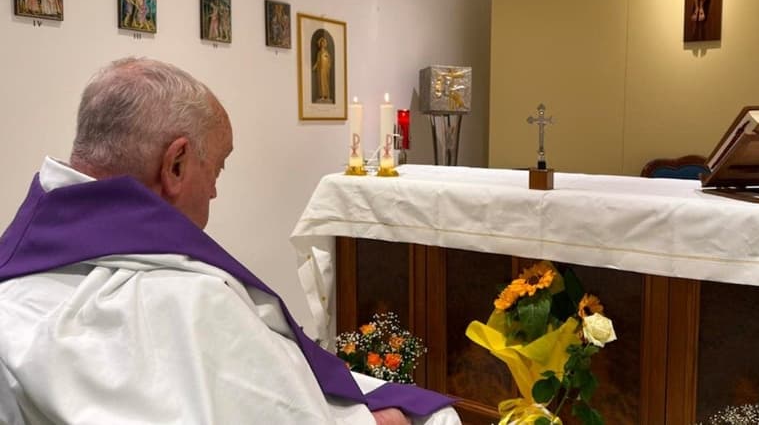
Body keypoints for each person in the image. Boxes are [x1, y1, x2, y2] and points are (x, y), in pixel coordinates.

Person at [0, 57, 458, 424]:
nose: (215, 190)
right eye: (216, 168)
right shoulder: (190, 300)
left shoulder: (16, 274)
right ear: (175, 165)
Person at [312, 35, 333, 103]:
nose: (322, 44)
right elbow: (318, 61)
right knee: (320, 82)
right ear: (320, 44)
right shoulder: (319, 53)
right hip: (320, 70)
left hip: (325, 70)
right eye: (321, 43)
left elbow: (329, 61)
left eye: (323, 43)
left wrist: (328, 67)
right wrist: (314, 66)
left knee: (325, 82)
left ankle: (326, 95)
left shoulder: (326, 53)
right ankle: (321, 95)